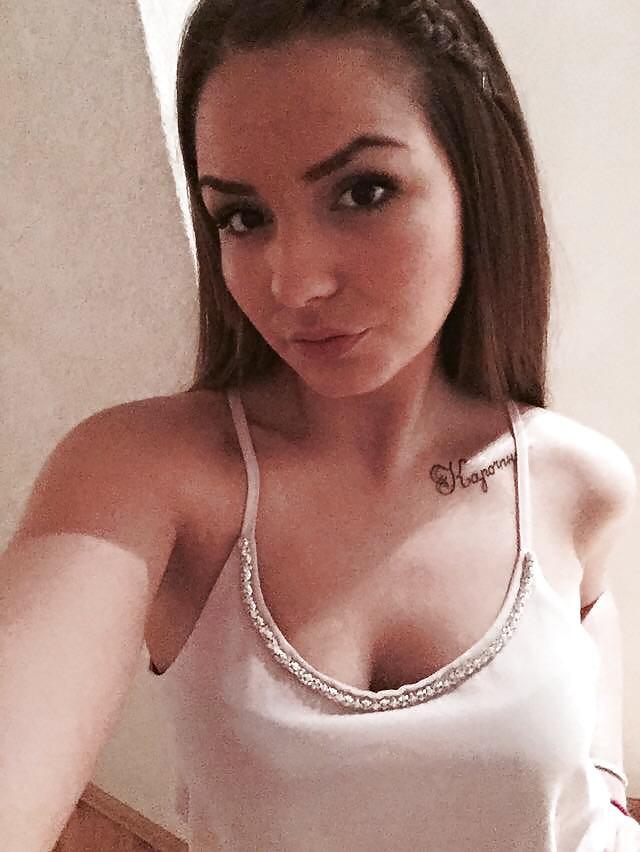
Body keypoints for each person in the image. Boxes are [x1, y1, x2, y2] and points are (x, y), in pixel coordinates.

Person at [1, 0, 639, 849]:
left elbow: (594, 698)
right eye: (243, 216)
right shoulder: (142, 476)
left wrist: (607, 783)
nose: (293, 283)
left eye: (363, 191)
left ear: (476, 186)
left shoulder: (578, 482)